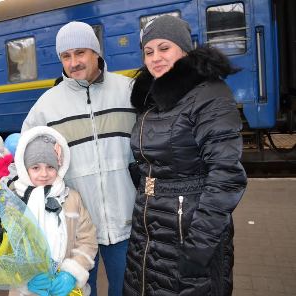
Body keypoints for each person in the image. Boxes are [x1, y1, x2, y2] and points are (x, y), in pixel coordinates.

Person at [123, 15, 248, 295]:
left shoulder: (209, 95)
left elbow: (226, 175)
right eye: (148, 51)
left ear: (183, 49)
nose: (156, 58)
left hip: (186, 231)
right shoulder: (151, 99)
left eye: (164, 48)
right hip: (149, 230)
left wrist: (200, 245)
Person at [21, 21, 136, 296]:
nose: (73, 62)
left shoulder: (129, 91)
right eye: (66, 56)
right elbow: (23, 163)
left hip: (126, 223)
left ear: (96, 52)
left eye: (80, 52)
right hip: (74, 231)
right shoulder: (46, 105)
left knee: (129, 290)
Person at [8, 126, 98, 296]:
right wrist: (25, 276)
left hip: (68, 290)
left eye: (50, 166)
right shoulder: (14, 201)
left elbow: (88, 239)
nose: (44, 174)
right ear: (24, 168)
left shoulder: (72, 198)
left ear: (59, 166)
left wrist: (72, 273)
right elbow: (6, 248)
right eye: (35, 167)